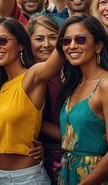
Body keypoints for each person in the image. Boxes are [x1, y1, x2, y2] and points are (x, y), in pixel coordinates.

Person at [0, 17, 64, 184]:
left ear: (20, 44)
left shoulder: (32, 76)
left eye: (2, 40)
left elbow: (57, 58)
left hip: (25, 178)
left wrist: (72, 24)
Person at [57, 14, 108, 184]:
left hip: (96, 177)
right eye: (66, 41)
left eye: (80, 39)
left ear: (98, 46)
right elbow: (76, 132)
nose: (72, 46)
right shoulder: (75, 84)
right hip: (68, 174)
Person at [26, 15, 62, 183]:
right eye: (39, 39)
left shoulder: (72, 73)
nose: (46, 45)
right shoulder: (24, 77)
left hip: (70, 154)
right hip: (35, 156)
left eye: (53, 38)